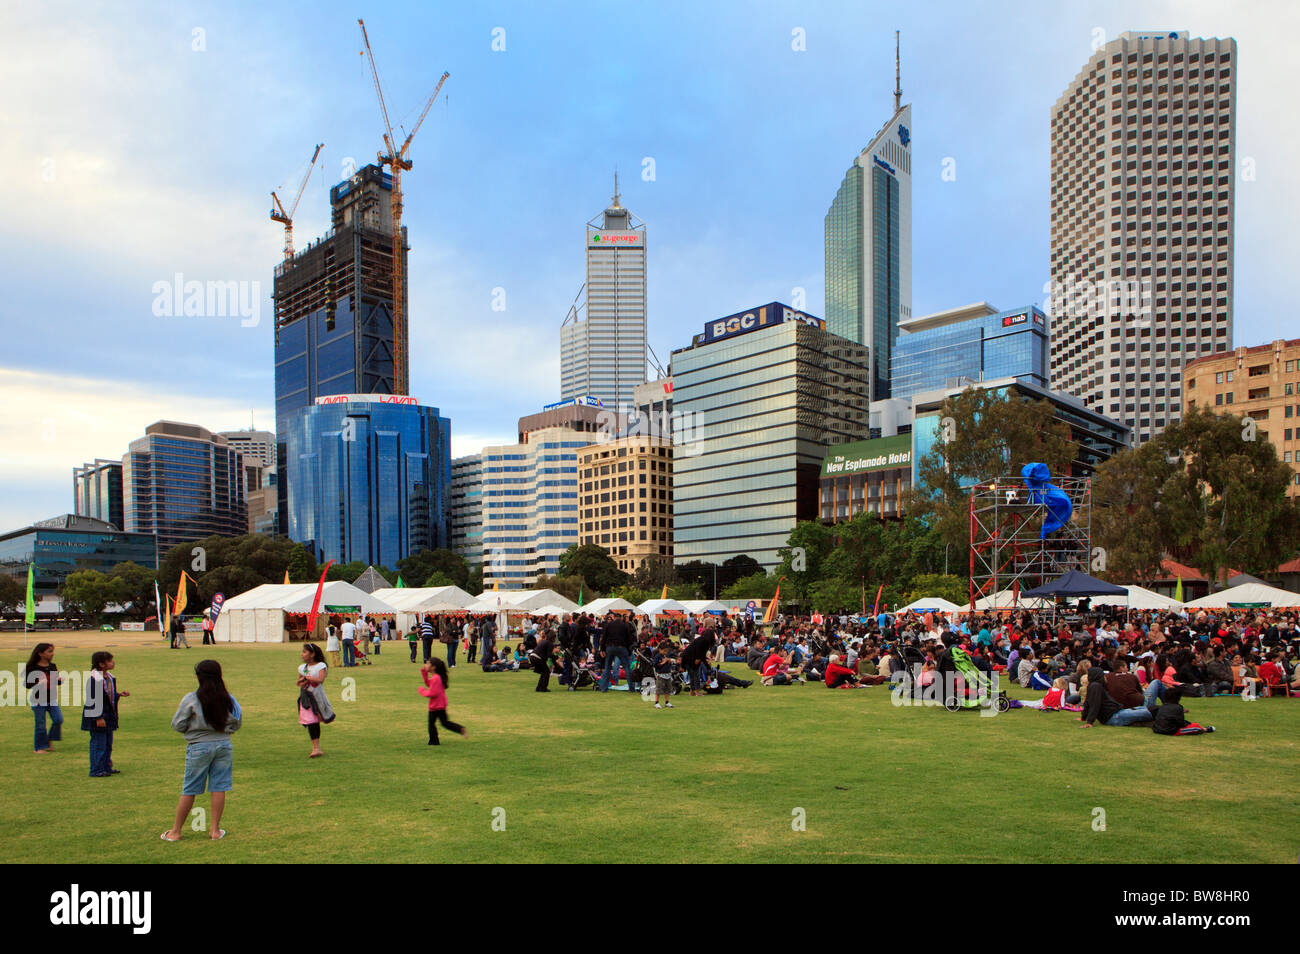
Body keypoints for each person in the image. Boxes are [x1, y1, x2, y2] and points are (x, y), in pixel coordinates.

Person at [162, 659, 241, 842]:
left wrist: (194, 729)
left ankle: (176, 831)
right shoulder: (229, 699)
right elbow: (237, 721)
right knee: (219, 787)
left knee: (190, 789)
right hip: (223, 744)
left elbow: (177, 724)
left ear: (199, 677)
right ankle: (215, 830)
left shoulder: (191, 698)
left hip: (198, 746)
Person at [82, 651, 128, 777]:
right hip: (99, 717)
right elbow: (92, 699)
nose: (113, 662)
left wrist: (118, 695)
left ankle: (106, 767)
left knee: (108, 744)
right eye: (109, 661)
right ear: (101, 664)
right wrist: (98, 717)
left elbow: (107, 695)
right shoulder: (94, 679)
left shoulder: (108, 677)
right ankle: (96, 769)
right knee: (98, 744)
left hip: (109, 716)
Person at [26, 642, 64, 754]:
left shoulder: (52, 666)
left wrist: (59, 680)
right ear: (41, 654)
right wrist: (38, 682)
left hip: (52, 698)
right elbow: (27, 684)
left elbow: (55, 681)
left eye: (52, 651)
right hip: (38, 700)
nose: (52, 654)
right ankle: (39, 748)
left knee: (58, 719)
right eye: (50, 651)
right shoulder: (32, 668)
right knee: (40, 725)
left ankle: (49, 740)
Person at [297, 644, 333, 757]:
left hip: (317, 698)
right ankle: (316, 747)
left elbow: (320, 680)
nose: (302, 654)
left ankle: (316, 747)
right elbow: (299, 683)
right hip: (306, 699)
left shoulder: (321, 666)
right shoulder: (302, 668)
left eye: (304, 652)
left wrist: (307, 678)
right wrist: (303, 681)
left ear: (312, 654)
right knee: (311, 721)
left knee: (314, 721)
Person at [420, 658, 467, 745]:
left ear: (433, 667)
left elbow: (432, 693)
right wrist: (424, 673)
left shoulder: (436, 678)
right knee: (445, 723)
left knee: (431, 724)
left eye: (427, 664)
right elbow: (428, 684)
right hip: (440, 705)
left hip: (435, 706)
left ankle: (434, 741)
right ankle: (460, 729)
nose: (425, 665)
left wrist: (422, 691)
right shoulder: (436, 677)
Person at [597, 613, 635, 692]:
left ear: (614, 618)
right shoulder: (624, 625)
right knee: (627, 668)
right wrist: (629, 651)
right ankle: (631, 688)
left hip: (610, 647)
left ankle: (604, 688)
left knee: (607, 668)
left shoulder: (609, 625)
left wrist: (602, 649)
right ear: (621, 618)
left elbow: (604, 637)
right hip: (621, 647)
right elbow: (629, 639)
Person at [653, 642, 677, 709]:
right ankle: (656, 703)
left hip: (668, 674)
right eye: (664, 651)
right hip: (661, 675)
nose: (665, 652)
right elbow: (655, 665)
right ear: (660, 650)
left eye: (667, 651)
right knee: (659, 689)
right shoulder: (657, 656)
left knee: (667, 689)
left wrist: (669, 662)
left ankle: (667, 702)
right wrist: (663, 662)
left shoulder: (666, 656)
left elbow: (668, 664)